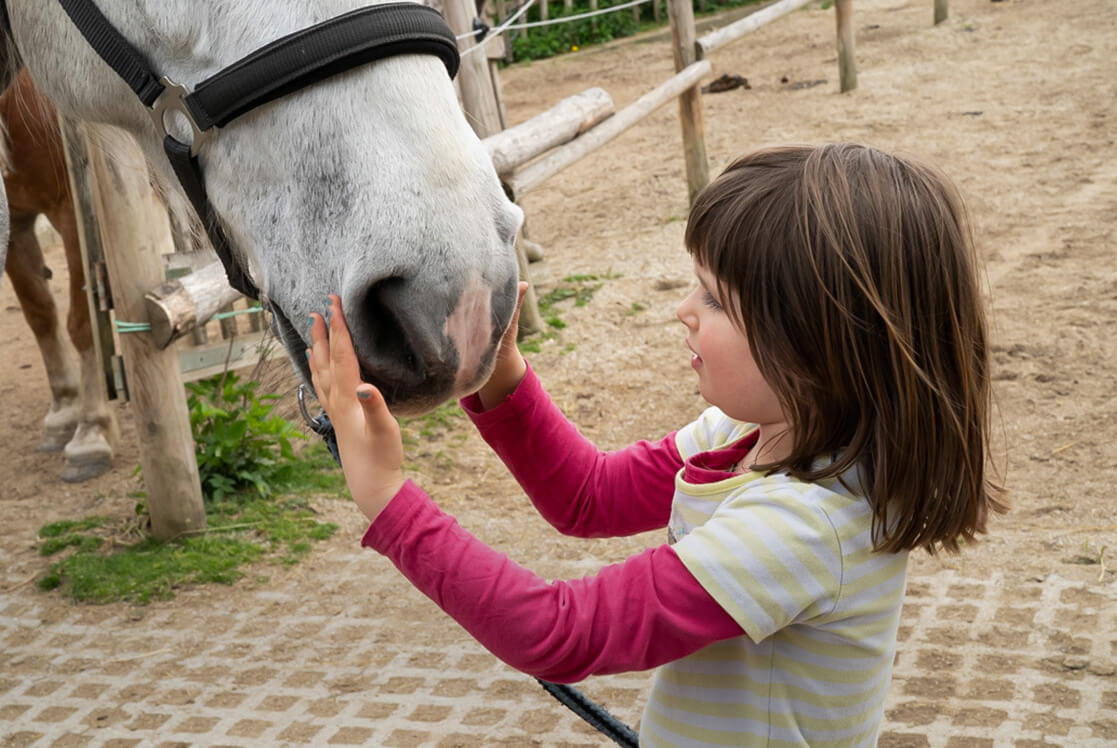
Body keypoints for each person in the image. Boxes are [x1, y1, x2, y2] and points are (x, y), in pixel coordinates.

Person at [304, 143, 1007, 747]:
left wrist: (388, 501)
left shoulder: (806, 527)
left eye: (715, 300)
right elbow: (588, 497)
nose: (683, 311)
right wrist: (500, 376)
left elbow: (559, 632)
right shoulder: (752, 435)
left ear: (819, 347)